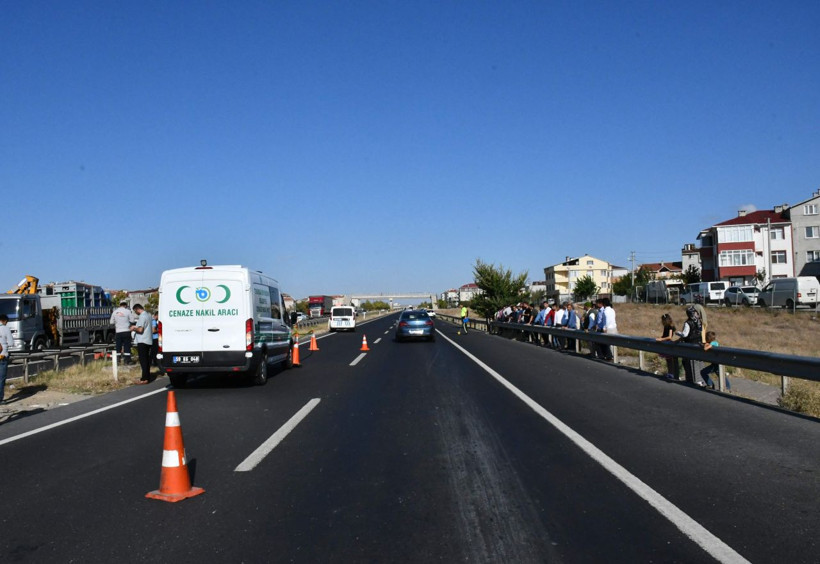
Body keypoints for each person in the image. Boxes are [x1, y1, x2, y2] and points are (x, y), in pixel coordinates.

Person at [676, 306, 706, 385]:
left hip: (690, 344)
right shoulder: (699, 321)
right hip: (699, 344)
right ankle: (701, 380)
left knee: (690, 363)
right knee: (699, 362)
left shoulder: (688, 322)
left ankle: (694, 380)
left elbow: (685, 334)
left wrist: (678, 333)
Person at [130, 304, 154, 384]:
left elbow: (140, 330)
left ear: (137, 309)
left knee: (143, 360)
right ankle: (147, 377)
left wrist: (134, 328)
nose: (135, 313)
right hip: (148, 340)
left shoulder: (142, 317)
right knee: (147, 360)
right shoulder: (148, 315)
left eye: (135, 311)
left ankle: (144, 378)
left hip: (142, 340)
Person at [655, 313, 679, 379]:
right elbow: (664, 335)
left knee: (670, 360)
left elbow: (669, 337)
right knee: (668, 360)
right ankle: (670, 373)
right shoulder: (666, 326)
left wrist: (661, 339)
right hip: (666, 344)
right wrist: (660, 338)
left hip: (668, 344)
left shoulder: (670, 326)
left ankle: (672, 373)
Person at [0, 314, 12, 403]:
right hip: (2, 355)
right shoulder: (5, 328)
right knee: (1, 378)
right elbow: (11, 343)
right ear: (4, 321)